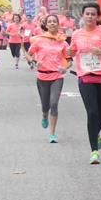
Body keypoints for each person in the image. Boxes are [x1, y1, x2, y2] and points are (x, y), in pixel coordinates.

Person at [66, 3, 101, 164]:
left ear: (98, 16)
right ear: (82, 16)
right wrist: (67, 52)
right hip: (85, 78)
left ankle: (95, 132)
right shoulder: (77, 34)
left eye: (93, 14)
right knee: (92, 113)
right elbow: (71, 51)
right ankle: (94, 151)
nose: (90, 17)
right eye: (87, 14)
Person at [27, 15, 71, 143]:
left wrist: (65, 68)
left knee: (54, 103)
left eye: (54, 22)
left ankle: (52, 133)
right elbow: (29, 55)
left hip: (57, 76)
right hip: (42, 76)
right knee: (45, 105)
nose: (52, 24)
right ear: (46, 25)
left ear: (58, 25)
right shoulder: (39, 40)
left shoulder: (63, 42)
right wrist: (34, 62)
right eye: (49, 22)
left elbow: (69, 61)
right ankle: (44, 115)